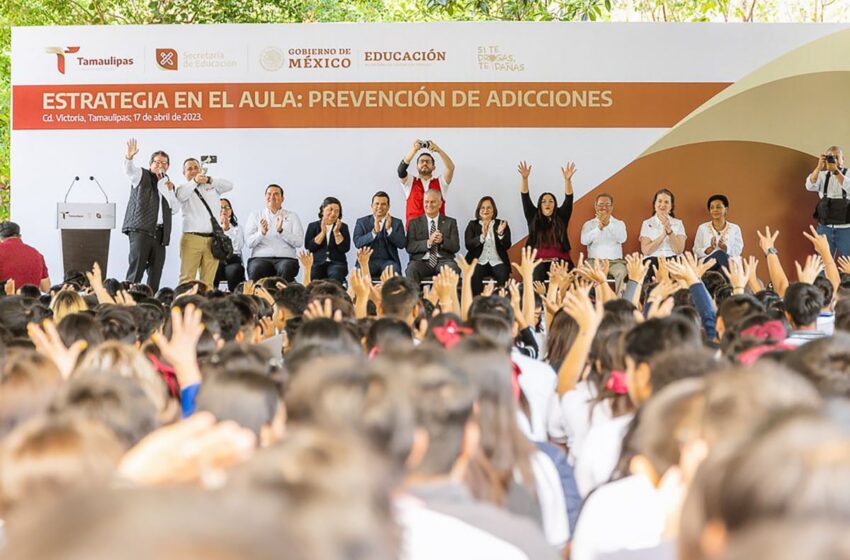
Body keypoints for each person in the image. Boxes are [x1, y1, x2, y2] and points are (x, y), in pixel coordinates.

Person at [122, 139, 178, 291]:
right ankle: (129, 302)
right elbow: (129, 170)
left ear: (168, 166)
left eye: (164, 163)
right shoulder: (142, 175)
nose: (161, 165)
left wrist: (169, 190)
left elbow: (175, 208)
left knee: (155, 272)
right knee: (136, 271)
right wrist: (129, 157)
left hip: (160, 234)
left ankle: (150, 304)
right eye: (157, 162)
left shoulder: (167, 184)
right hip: (141, 231)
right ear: (151, 164)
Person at [174, 158, 234, 289]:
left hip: (213, 240)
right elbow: (180, 196)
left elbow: (229, 185)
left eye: (196, 168)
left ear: (200, 170)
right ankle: (183, 307)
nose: (194, 170)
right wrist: (194, 181)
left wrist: (210, 180)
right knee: (186, 279)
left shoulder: (212, 186)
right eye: (189, 169)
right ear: (184, 173)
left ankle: (205, 308)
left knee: (208, 282)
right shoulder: (182, 188)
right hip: (191, 239)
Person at [517, 160, 574, 282]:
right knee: (536, 274)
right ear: (539, 205)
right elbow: (525, 197)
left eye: (551, 201)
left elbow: (569, 199)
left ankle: (560, 301)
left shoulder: (562, 217)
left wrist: (567, 181)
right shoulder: (533, 217)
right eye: (544, 201)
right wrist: (524, 179)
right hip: (538, 262)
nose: (547, 203)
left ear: (555, 205)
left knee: (563, 276)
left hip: (560, 262)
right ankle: (537, 301)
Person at [244, 184, 304, 283]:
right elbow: (249, 243)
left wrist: (281, 231)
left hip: (286, 258)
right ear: (265, 197)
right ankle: (259, 297)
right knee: (256, 268)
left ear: (282, 198)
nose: (272, 197)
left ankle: (282, 298)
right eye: (269, 194)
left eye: (276, 194)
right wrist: (261, 233)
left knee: (286, 268)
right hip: (260, 258)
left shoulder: (292, 216)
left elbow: (299, 242)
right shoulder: (255, 215)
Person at [405, 190, 461, 284]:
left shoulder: (450, 222)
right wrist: (428, 243)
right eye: (426, 202)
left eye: (433, 202)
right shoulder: (414, 223)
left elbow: (455, 247)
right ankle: (415, 298)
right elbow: (410, 247)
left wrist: (442, 241)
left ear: (440, 204)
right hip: (421, 262)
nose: (429, 205)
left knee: (453, 269)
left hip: (444, 261)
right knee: (411, 269)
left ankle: (445, 298)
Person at [397, 139, 455, 225]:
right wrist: (414, 150)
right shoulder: (409, 182)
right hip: (414, 233)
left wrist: (438, 150)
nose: (424, 163)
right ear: (417, 167)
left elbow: (450, 168)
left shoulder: (441, 182)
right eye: (421, 161)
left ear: (433, 167)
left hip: (437, 231)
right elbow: (401, 170)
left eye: (428, 162)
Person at [806, 145, 850, 257]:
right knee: (823, 262)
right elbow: (809, 186)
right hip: (825, 227)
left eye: (837, 157)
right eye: (831, 157)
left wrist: (835, 172)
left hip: (846, 228)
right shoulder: (822, 175)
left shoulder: (848, 174)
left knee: (848, 263)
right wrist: (818, 167)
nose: (834, 160)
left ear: (843, 159)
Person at [580, 193, 628, 293]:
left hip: (615, 263)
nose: (604, 208)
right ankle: (589, 303)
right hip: (594, 262)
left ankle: (620, 303)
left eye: (607, 205)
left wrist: (608, 224)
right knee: (584, 273)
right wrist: (599, 228)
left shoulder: (619, 223)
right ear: (595, 206)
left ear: (612, 207)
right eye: (601, 204)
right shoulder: (589, 224)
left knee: (623, 272)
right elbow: (583, 241)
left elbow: (622, 239)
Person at [464, 196, 512, 295]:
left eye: (489, 207)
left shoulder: (501, 224)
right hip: (478, 261)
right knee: (474, 273)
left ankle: (500, 305)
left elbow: (507, 245)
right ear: (479, 210)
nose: (485, 210)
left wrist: (500, 234)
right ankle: (477, 303)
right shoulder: (472, 225)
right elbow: (468, 245)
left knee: (503, 273)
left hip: (497, 261)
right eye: (483, 208)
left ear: (493, 210)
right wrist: (482, 236)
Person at [352, 191, 406, 277]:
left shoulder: (397, 222)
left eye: (383, 204)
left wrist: (389, 230)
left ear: (388, 207)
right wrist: (374, 233)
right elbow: (357, 243)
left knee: (394, 273)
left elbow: (402, 244)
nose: (380, 207)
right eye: (377, 204)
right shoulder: (361, 222)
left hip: (389, 262)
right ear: (372, 206)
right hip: (367, 261)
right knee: (358, 274)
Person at [303, 197, 351, 284]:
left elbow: (345, 249)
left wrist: (336, 232)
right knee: (314, 274)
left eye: (337, 211)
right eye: (330, 209)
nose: (333, 214)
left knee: (336, 274)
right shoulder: (312, 226)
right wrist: (322, 233)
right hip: (317, 263)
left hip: (337, 263)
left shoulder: (343, 227)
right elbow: (309, 247)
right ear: (322, 210)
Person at [639, 188, 687, 271]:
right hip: (653, 258)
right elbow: (646, 251)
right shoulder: (647, 223)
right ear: (655, 204)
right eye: (660, 201)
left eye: (666, 202)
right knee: (649, 268)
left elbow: (679, 250)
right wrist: (663, 235)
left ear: (671, 206)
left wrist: (670, 232)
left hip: (673, 259)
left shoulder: (678, 223)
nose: (662, 205)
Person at [693, 194, 743, 272]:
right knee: (719, 254)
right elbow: (696, 251)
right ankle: (736, 282)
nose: (715, 210)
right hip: (708, 264)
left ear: (726, 209)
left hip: (728, 263)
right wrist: (710, 249)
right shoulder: (702, 228)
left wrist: (725, 248)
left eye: (718, 207)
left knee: (721, 267)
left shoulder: (735, 228)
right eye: (712, 207)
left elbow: (738, 250)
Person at [0, 221, 50, 292]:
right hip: (32, 301)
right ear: (19, 236)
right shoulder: (36, 254)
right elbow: (46, 288)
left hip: (5, 301)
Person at [214, 198, 246, 292]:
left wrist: (227, 229)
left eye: (226, 207)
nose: (223, 210)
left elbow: (238, 247)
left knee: (235, 271)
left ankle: (234, 300)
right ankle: (212, 298)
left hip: (233, 259)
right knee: (213, 270)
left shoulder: (238, 228)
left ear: (231, 211)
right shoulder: (210, 227)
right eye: (220, 207)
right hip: (216, 259)